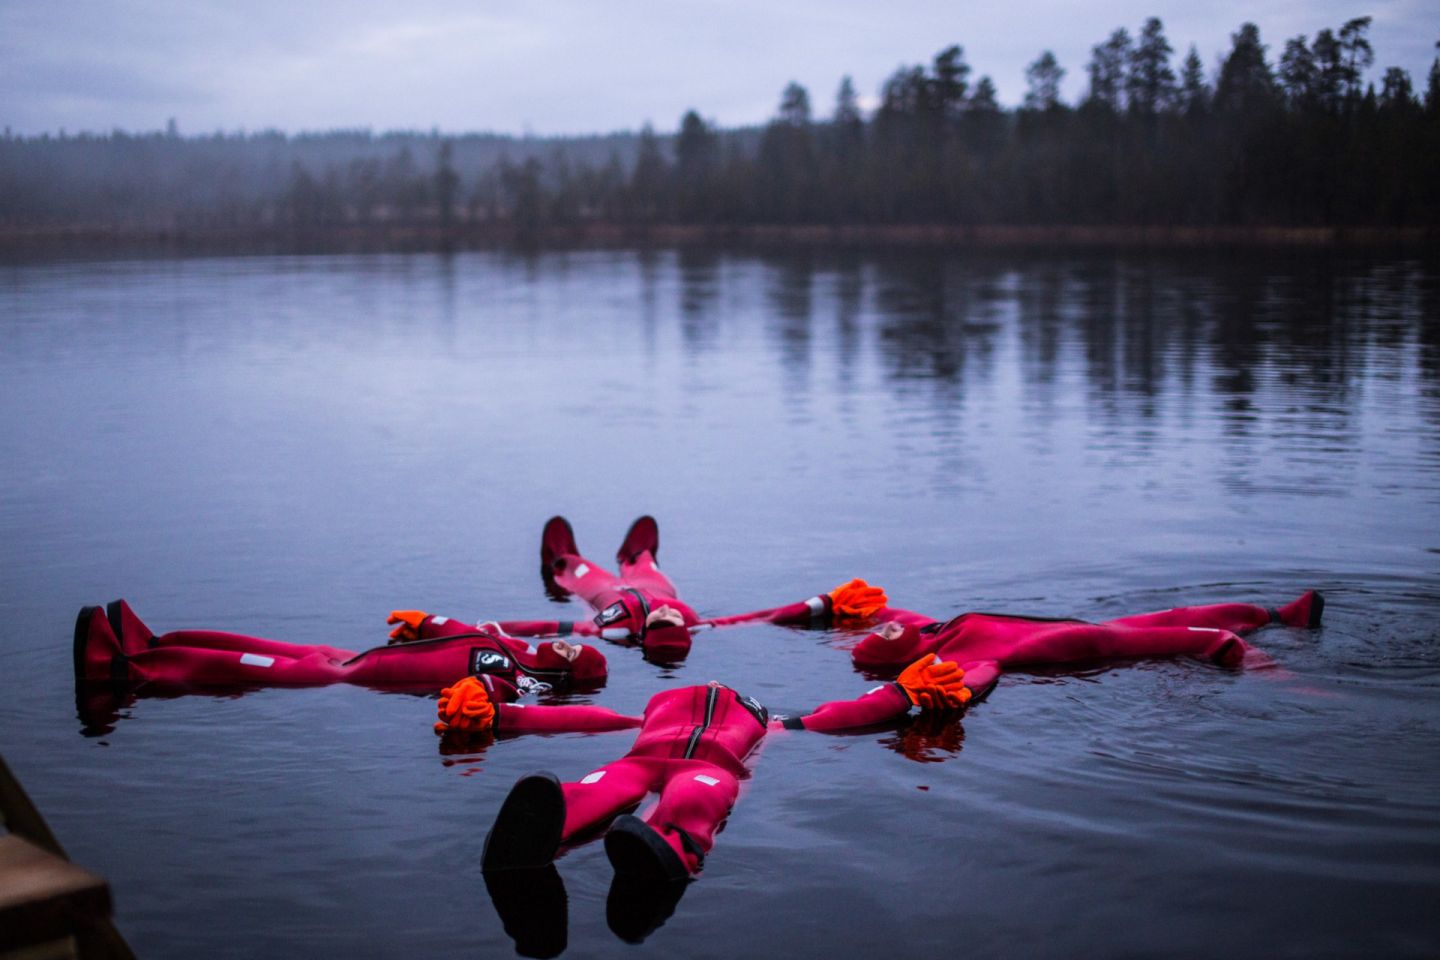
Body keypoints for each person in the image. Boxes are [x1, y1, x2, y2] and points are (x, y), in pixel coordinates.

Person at [434, 653, 970, 888]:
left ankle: (671, 848)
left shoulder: (771, 725)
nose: (715, 684)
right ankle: (537, 835)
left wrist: (901, 693)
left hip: (716, 768)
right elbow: (587, 717)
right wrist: (502, 714)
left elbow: (833, 718)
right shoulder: (641, 717)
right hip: (638, 759)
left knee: (695, 800)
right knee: (593, 788)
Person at [388, 515, 892, 662]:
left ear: (649, 633)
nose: (672, 619)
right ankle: (636, 556)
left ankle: (558, 561)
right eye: (677, 624)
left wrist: (464, 628)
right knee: (650, 568)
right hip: (653, 584)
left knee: (579, 571)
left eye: (666, 624)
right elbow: (760, 618)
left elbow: (545, 626)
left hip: (607, 592)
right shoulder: (693, 619)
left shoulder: (613, 626)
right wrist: (825, 604)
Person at [848, 590, 1326, 699]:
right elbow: (982, 676)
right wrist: (962, 692)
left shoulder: (933, 629)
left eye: (883, 628)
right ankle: (1289, 682)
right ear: (899, 655)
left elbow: (885, 607)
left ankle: (1283, 615)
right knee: (1209, 639)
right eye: (885, 637)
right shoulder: (953, 657)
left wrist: (819, 604)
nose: (887, 627)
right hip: (1079, 641)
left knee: (1179, 614)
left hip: (1080, 623)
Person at [73, 599, 608, 697]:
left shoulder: (512, 675)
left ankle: (123, 670)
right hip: (350, 659)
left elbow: (490, 697)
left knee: (243, 667)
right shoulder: (506, 649)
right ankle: (154, 641)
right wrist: (425, 620)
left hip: (344, 676)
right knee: (255, 647)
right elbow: (459, 629)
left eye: (567, 648)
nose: (561, 643)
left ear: (566, 661)